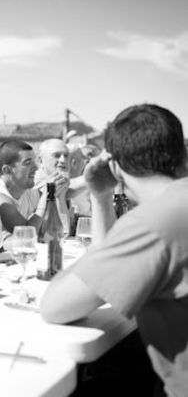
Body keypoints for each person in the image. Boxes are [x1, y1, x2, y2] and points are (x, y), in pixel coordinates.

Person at [41, 104, 188, 396]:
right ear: (182, 153)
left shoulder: (153, 223)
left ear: (115, 165)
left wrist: (99, 194)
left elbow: (54, 308)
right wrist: (101, 198)